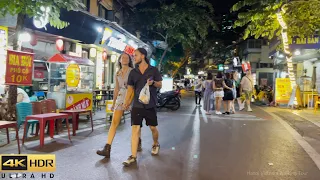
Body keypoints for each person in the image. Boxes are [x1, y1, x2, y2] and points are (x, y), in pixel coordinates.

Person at [122, 48, 162, 166]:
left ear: (143, 56)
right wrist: (126, 102)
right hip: (137, 105)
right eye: (134, 56)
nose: (134, 57)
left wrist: (153, 83)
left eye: (136, 55)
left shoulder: (153, 70)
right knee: (135, 129)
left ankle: (155, 143)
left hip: (150, 104)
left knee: (153, 128)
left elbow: (160, 84)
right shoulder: (133, 72)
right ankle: (133, 156)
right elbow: (130, 89)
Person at [96, 53, 140, 158]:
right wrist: (113, 102)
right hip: (121, 96)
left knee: (135, 123)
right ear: (119, 60)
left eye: (126, 58)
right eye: (122, 58)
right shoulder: (117, 73)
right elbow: (116, 89)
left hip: (132, 96)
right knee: (114, 122)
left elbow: (134, 87)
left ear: (129, 60)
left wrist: (128, 102)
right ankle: (107, 148)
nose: (124, 59)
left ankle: (138, 141)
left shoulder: (133, 71)